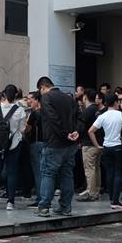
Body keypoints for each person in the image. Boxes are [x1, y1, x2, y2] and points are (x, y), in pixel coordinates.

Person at [35, 76, 79, 218]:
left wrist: (64, 133)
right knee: (67, 174)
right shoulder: (69, 98)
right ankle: (66, 207)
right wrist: (74, 133)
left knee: (48, 174)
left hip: (54, 143)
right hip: (70, 144)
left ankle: (44, 207)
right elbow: (78, 117)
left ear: (43, 87)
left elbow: (53, 119)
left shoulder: (46, 98)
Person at [0, 84, 27, 210]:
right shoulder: (20, 110)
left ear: (3, 93)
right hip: (13, 144)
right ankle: (10, 202)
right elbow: (22, 129)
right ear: (16, 95)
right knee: (12, 172)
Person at [89, 93, 122, 209]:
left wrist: (97, 145)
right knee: (118, 173)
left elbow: (91, 131)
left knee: (110, 173)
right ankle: (115, 201)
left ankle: (111, 198)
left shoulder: (102, 116)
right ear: (116, 102)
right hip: (119, 147)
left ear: (105, 103)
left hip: (106, 147)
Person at [77, 89, 103, 202]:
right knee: (96, 168)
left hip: (89, 143)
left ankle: (91, 193)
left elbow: (81, 127)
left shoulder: (87, 111)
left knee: (89, 169)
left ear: (85, 97)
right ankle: (96, 190)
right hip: (98, 143)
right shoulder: (97, 110)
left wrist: (78, 138)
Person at [24, 90, 44, 206]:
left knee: (38, 173)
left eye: (31, 99)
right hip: (47, 144)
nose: (29, 101)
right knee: (45, 172)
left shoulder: (34, 113)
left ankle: (40, 199)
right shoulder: (48, 112)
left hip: (36, 144)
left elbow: (27, 129)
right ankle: (45, 198)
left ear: (37, 100)